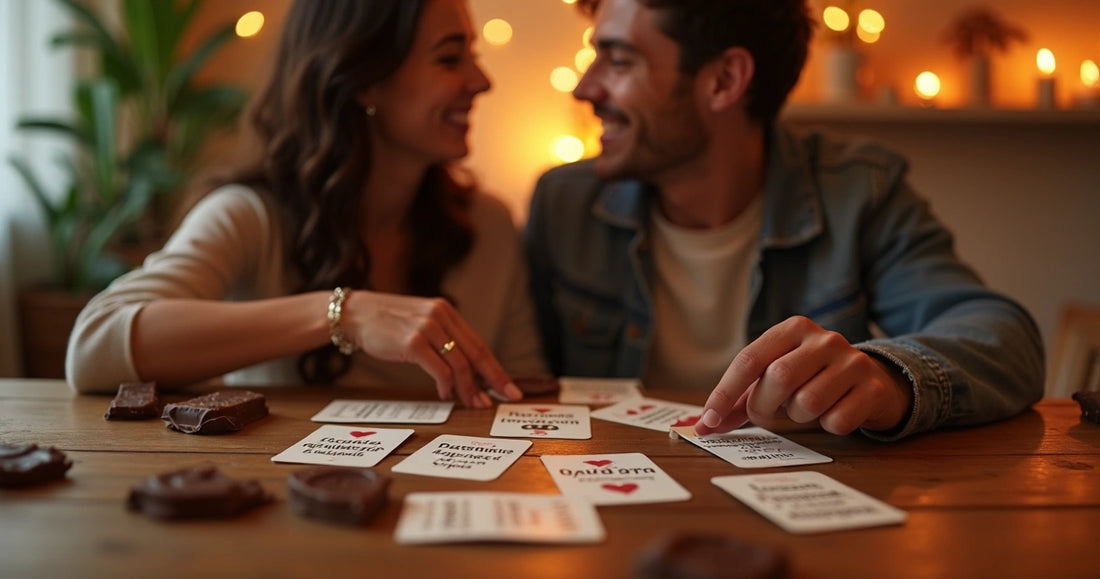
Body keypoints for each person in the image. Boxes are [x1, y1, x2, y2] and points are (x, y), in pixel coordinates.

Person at [525, 0, 1044, 441]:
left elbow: (1005, 341)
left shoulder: (859, 189)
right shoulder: (563, 202)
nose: (585, 89)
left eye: (617, 62)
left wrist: (888, 376)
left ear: (724, 81)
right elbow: (523, 383)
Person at [66, 0, 546, 408]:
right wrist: (344, 314)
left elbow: (526, 390)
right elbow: (95, 347)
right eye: (449, 59)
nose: (481, 81)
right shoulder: (250, 216)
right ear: (364, 80)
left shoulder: (490, 224)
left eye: (474, 56)